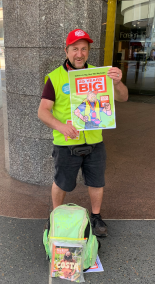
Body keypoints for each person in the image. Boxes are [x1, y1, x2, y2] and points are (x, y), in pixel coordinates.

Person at [38, 29, 128, 237]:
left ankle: (96, 217)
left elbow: (123, 98)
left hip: (95, 142)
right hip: (66, 144)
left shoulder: (99, 74)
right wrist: (61, 126)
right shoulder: (55, 77)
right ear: (66, 50)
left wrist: (116, 82)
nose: (80, 54)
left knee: (96, 182)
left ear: (88, 51)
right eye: (75, 49)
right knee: (61, 183)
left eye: (84, 49)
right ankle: (56, 216)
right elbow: (42, 111)